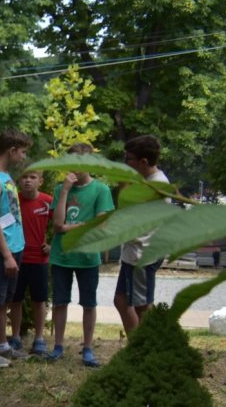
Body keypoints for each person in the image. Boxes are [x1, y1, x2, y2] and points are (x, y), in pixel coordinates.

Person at [48, 142, 114, 366]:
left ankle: (87, 348)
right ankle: (58, 346)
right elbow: (57, 225)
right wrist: (65, 191)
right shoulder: (60, 189)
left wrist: (70, 227)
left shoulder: (101, 190)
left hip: (87, 257)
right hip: (62, 256)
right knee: (59, 302)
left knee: (89, 303)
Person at [0, 129, 32, 368]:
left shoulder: (7, 177)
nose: (23, 157)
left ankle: (3, 345)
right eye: (22, 152)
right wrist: (7, 255)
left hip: (15, 246)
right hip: (3, 251)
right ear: (11, 151)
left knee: (5, 299)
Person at [116, 134, 169, 336]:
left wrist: (123, 188)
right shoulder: (145, 181)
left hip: (142, 254)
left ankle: (147, 347)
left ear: (143, 161)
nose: (125, 163)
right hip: (133, 252)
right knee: (121, 300)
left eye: (128, 159)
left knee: (142, 305)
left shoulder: (156, 186)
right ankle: (136, 347)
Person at [11, 170, 53, 354]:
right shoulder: (13, 201)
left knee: (39, 300)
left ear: (40, 181)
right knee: (15, 299)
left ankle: (39, 339)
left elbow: (60, 224)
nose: (28, 180)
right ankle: (15, 337)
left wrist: (52, 245)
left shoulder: (48, 201)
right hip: (17, 258)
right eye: (24, 177)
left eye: (32, 177)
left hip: (39, 259)